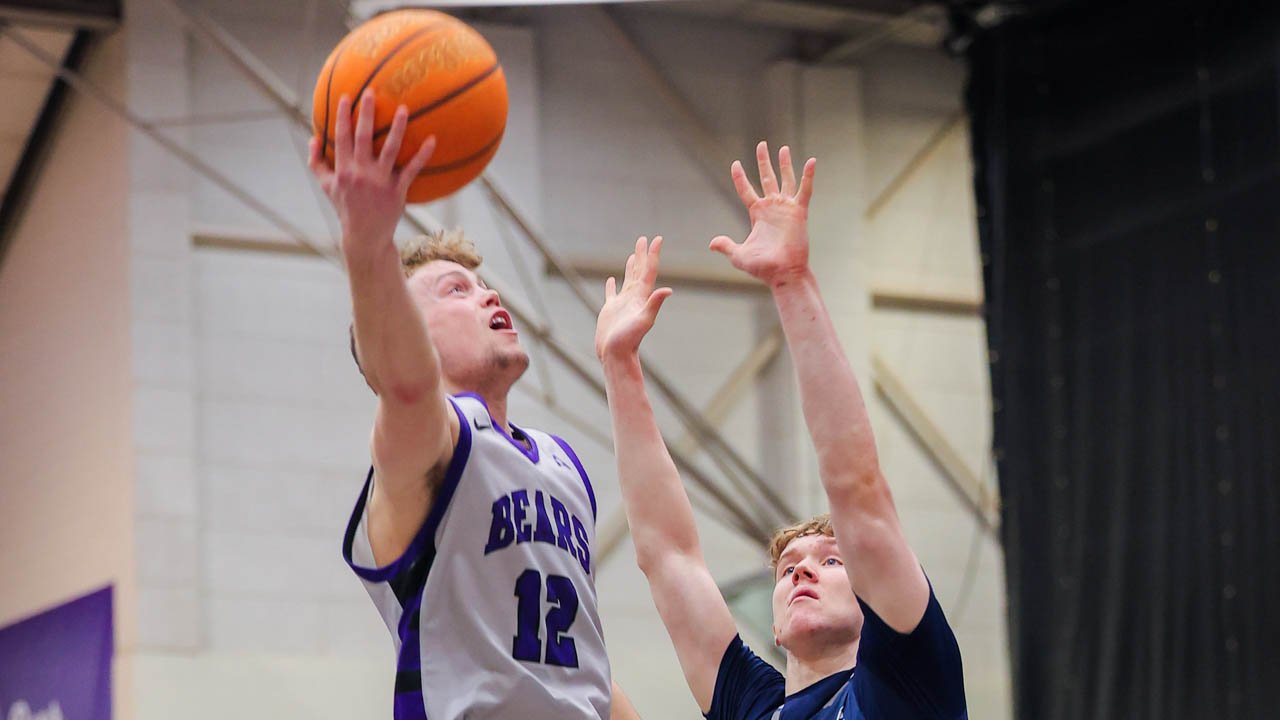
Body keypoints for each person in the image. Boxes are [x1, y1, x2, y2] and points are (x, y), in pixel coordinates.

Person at [594, 142, 968, 719]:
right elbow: (667, 555)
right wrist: (620, 367)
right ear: (772, 620)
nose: (802, 570)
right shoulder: (750, 706)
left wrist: (792, 282)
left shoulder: (902, 681)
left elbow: (858, 493)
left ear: (876, 598)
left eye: (832, 561)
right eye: (790, 566)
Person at [309, 92, 634, 720]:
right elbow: (403, 382)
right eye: (455, 290)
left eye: (486, 286)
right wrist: (367, 245)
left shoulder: (562, 464)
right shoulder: (428, 445)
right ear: (409, 330)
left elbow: (583, 670)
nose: (487, 298)